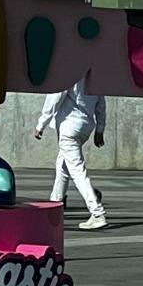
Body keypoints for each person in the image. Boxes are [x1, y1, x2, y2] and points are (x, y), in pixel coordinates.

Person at [34, 77, 108, 230]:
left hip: (69, 128)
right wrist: (100, 128)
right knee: (62, 167)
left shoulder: (69, 71)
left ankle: (97, 213)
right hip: (86, 126)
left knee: (78, 172)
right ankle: (54, 206)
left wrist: (41, 124)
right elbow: (101, 102)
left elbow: (55, 96)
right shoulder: (95, 74)